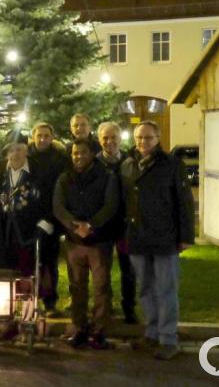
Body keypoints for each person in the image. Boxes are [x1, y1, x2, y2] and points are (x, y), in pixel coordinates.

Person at [120, 120, 195, 360]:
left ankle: (168, 339)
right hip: (138, 237)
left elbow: (184, 202)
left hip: (164, 237)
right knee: (145, 289)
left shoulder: (172, 164)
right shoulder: (128, 165)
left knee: (166, 289)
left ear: (158, 138)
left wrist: (185, 236)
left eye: (148, 138)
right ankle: (151, 333)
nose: (143, 142)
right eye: (139, 137)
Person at [54, 139, 118, 350]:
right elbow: (58, 207)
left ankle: (99, 331)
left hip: (99, 241)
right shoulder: (65, 178)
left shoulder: (106, 176)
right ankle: (79, 328)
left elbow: (110, 206)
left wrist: (90, 225)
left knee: (101, 287)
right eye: (74, 153)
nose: (78, 156)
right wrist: (74, 226)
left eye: (82, 153)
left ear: (92, 154)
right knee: (77, 287)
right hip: (74, 242)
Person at [0, 130, 53, 277]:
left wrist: (43, 225)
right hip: (1, 231)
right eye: (11, 150)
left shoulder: (39, 170)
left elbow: (48, 200)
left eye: (19, 149)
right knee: (1, 273)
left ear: (26, 151)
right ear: (6, 153)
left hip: (29, 232)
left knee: (27, 275)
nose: (15, 154)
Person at [27, 122, 71, 317]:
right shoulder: (26, 157)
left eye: (46, 135)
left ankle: (50, 301)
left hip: (52, 217)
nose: (43, 139)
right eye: (39, 135)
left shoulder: (60, 159)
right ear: (33, 136)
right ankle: (29, 301)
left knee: (49, 262)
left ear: (52, 137)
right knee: (29, 261)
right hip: (28, 219)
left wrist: (54, 218)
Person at [96, 122, 137, 324]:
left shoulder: (131, 163)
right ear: (99, 140)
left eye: (113, 137)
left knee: (128, 269)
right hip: (102, 227)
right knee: (102, 269)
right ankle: (105, 306)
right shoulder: (93, 164)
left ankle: (129, 308)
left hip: (124, 227)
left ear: (120, 139)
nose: (109, 141)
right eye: (105, 138)